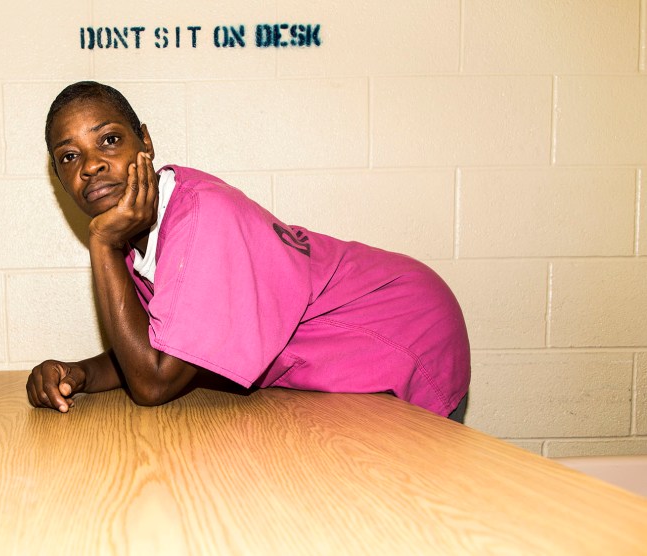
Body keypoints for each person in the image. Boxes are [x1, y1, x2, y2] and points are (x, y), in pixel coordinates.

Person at [26, 81, 471, 421]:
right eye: (69, 156)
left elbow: (154, 382)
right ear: (60, 179)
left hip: (403, 324)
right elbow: (163, 347)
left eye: (108, 140)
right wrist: (79, 374)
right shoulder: (134, 236)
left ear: (145, 142)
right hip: (352, 344)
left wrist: (102, 244)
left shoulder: (199, 217)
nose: (92, 165)